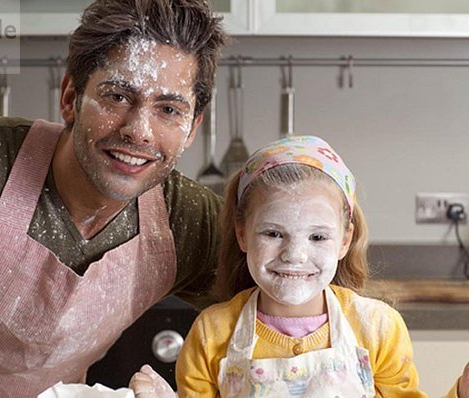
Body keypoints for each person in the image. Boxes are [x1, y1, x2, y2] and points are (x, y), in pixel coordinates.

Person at [0, 0, 228, 396]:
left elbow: (287, 319)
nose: (139, 132)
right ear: (71, 97)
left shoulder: (188, 219)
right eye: (118, 97)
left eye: (168, 109)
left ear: (192, 128)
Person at [130, 135, 469, 397]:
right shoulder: (212, 333)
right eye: (274, 233)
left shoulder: (377, 328)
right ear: (242, 234)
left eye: (318, 237)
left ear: (344, 241)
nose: (294, 255)